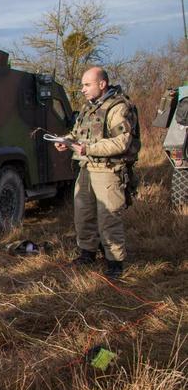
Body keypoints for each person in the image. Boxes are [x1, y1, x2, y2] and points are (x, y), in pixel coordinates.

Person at [55, 66, 141, 279]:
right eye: (82, 85)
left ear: (102, 84)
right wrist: (66, 141)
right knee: (82, 214)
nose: (82, 89)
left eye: (87, 85)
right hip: (86, 169)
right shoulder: (87, 109)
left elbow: (122, 142)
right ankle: (87, 253)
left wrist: (88, 149)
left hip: (108, 170)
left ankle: (115, 263)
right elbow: (77, 133)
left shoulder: (118, 107)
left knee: (108, 217)